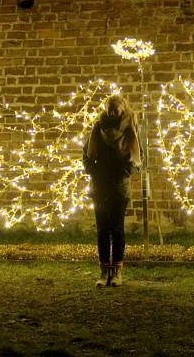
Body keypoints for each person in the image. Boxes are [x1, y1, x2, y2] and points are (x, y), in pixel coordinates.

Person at [82, 94, 141, 288]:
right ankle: (104, 270)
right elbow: (87, 154)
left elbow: (139, 156)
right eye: (110, 111)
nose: (113, 114)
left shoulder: (130, 129)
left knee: (116, 229)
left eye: (116, 111)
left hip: (119, 185)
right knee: (102, 230)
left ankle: (116, 272)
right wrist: (93, 171)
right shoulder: (98, 128)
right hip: (100, 185)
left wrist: (126, 171)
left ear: (122, 110)